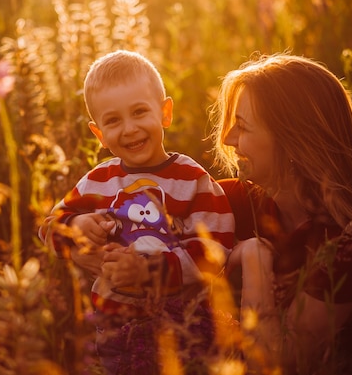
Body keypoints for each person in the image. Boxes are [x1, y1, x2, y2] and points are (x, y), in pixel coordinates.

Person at [40, 50, 235, 374]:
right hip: (115, 326)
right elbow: (48, 228)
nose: (129, 129)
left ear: (165, 113)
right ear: (99, 134)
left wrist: (148, 273)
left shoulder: (191, 178)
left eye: (140, 112)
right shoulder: (97, 181)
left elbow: (216, 248)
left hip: (185, 324)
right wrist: (77, 225)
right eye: (113, 120)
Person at [209, 53, 352, 374]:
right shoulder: (236, 199)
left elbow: (278, 360)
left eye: (241, 126)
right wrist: (98, 230)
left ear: (292, 140)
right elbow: (145, 220)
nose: (228, 139)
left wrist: (254, 257)